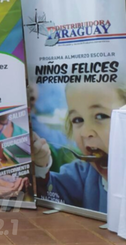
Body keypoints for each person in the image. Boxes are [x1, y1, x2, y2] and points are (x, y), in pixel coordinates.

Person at [32, 81, 125, 212]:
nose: (86, 132)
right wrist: (40, 165)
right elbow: (49, 194)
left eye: (100, 116)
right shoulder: (84, 174)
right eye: (77, 120)